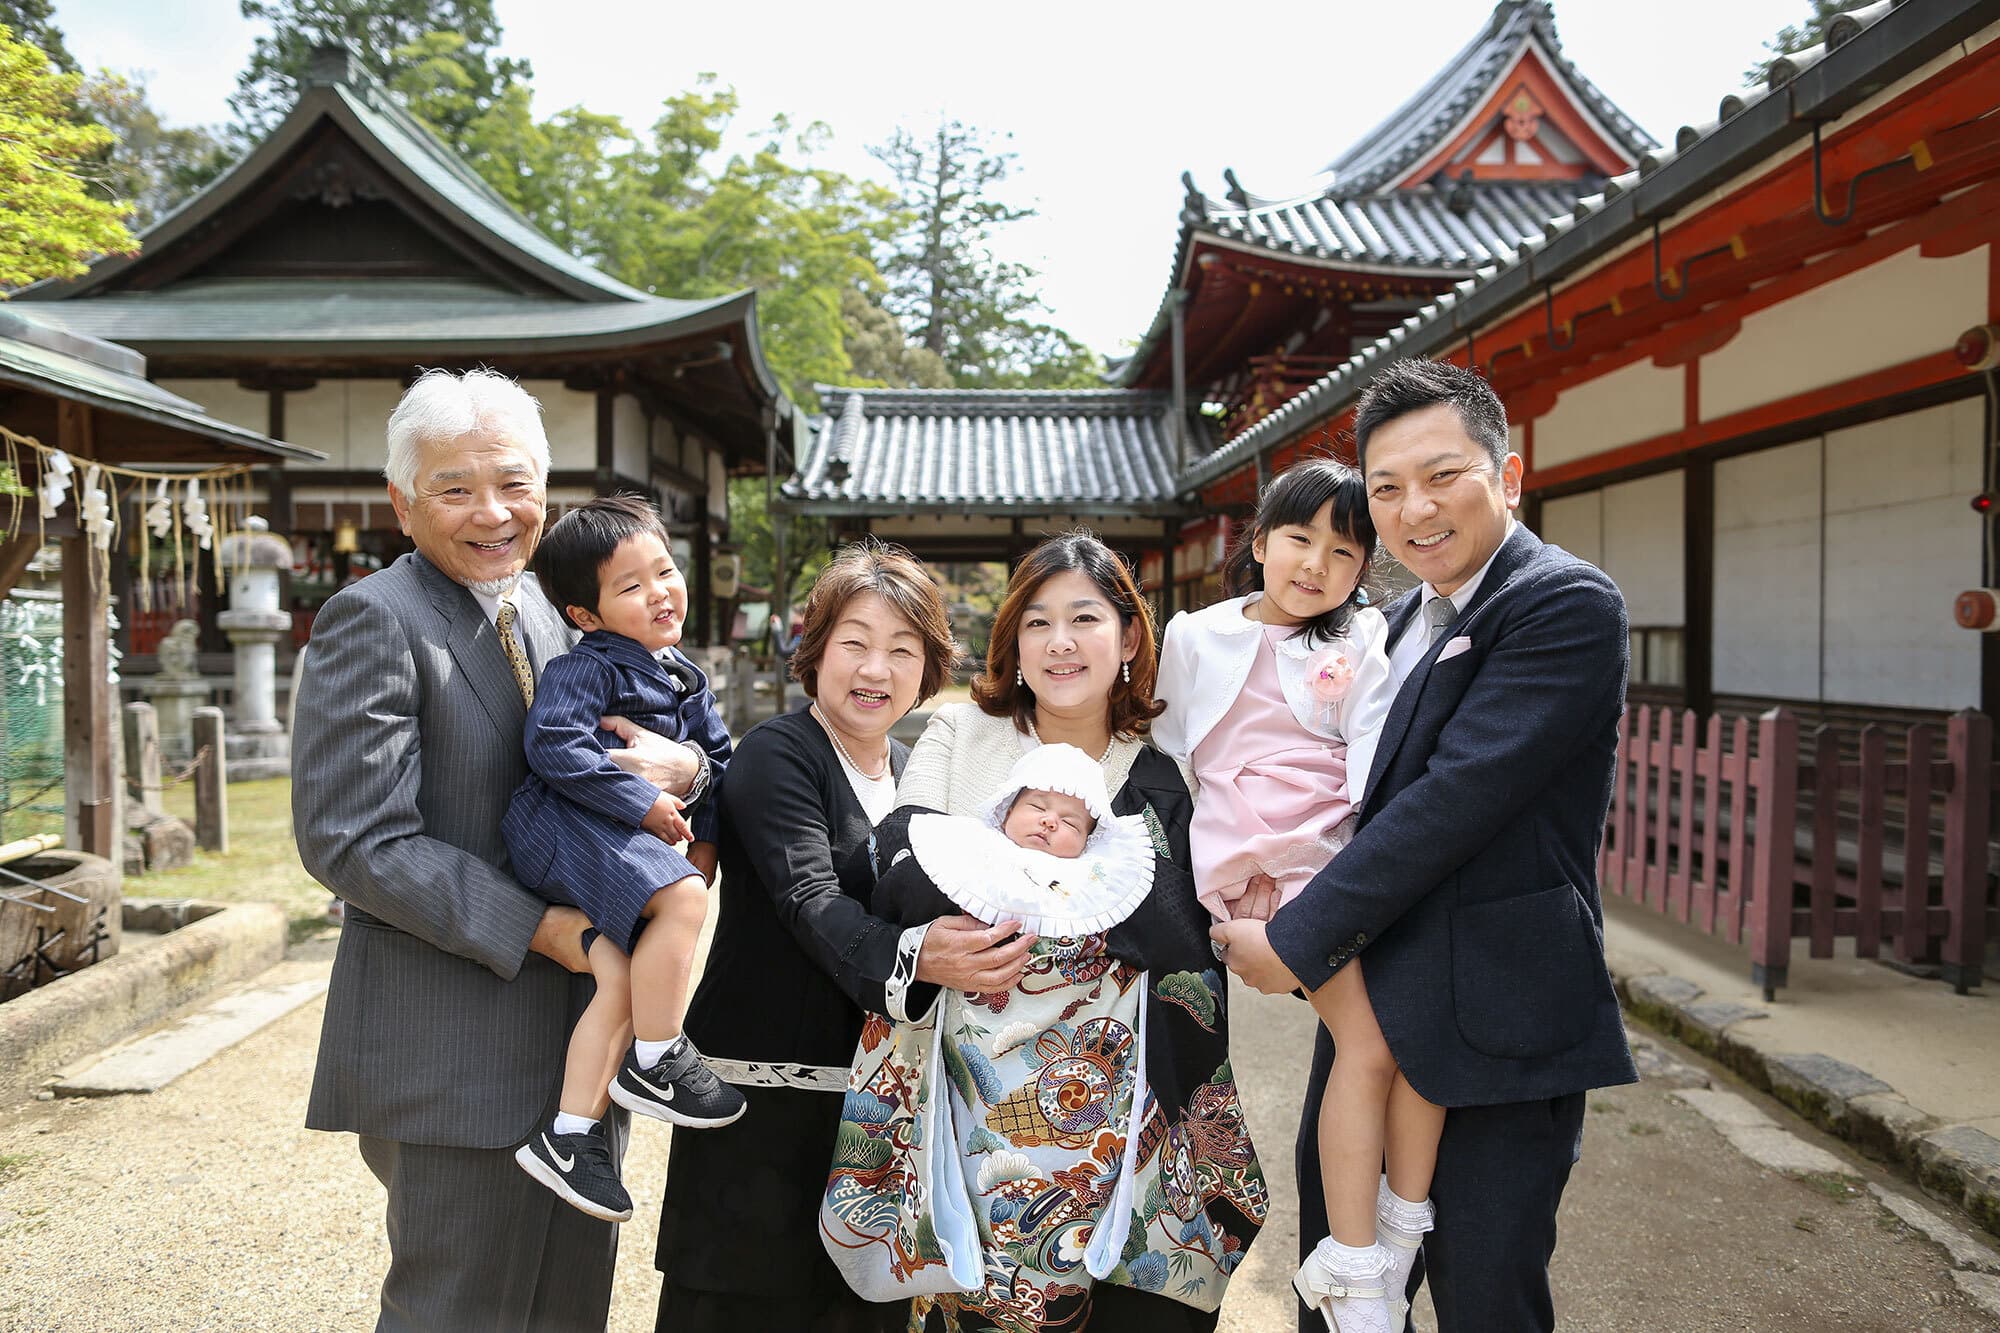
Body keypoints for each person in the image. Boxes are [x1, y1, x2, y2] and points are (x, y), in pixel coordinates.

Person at [1209, 359, 1638, 1333]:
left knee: (1485, 1295)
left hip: (1500, 1012)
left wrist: (1295, 935)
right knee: (1343, 1286)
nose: (1414, 509)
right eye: (1387, 488)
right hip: (1375, 1006)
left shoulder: (1564, 604)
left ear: (1510, 475)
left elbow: (1456, 798)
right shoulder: (1388, 622)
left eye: (1442, 476)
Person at [294, 368, 703, 1332]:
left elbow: (616, 759)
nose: (493, 512)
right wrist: (545, 928)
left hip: (577, 1048)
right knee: (462, 1310)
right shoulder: (377, 618)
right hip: (455, 1046)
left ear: (546, 490)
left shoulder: (555, 613)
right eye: (455, 488)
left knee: (569, 1308)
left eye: (514, 484)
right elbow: (354, 839)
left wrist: (678, 762)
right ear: (401, 502)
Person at [654, 541, 1033, 1333]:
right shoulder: (776, 755)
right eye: (855, 641)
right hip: (761, 1116)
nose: (876, 668)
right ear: (816, 648)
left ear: (929, 668)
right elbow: (809, 898)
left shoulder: (916, 775)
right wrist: (921, 955)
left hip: (878, 1131)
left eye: (904, 649)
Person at [896, 531, 1266, 1333]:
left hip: (1147, 1111)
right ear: (1013, 642)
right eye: (1036, 622)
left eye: (1085, 618)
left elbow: (1204, 920)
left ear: (1130, 636)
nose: (1060, 642)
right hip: (986, 1121)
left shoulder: (1175, 762)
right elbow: (897, 863)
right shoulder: (961, 737)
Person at [1153, 459, 1429, 1332]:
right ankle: (1359, 1259)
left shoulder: (1362, 641)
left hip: (1332, 855)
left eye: (1343, 552)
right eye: (1299, 539)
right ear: (1261, 541)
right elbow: (1166, 751)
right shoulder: (1195, 635)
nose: (1315, 565)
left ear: (1364, 568)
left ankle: (1390, 1229)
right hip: (1248, 856)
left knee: (1411, 1037)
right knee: (1378, 1044)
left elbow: (1376, 749)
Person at [821, 743, 1161, 1310]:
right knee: (962, 1199)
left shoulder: (1111, 884)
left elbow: (1163, 939)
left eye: (1071, 819)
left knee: (1056, 1227)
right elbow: (896, 899)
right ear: (1003, 812)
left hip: (1072, 1089)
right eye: (1036, 806)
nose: (1051, 821)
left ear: (1092, 840)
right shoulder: (961, 858)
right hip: (967, 1076)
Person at [501, 495, 742, 1224]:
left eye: (664, 570)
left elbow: (722, 762)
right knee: (683, 900)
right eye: (631, 586)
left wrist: (701, 833)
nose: (660, 590)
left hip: (611, 841)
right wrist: (640, 805)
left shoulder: (684, 675)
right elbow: (553, 745)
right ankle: (659, 1056)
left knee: (623, 972)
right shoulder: (591, 668)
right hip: (560, 826)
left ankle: (569, 1134)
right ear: (587, 616)